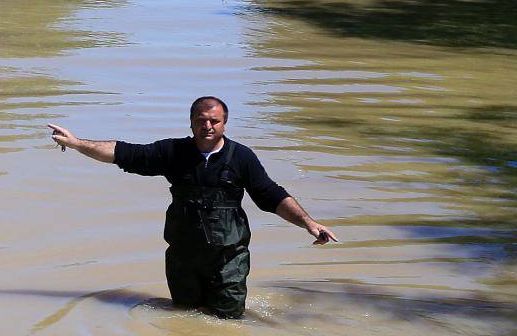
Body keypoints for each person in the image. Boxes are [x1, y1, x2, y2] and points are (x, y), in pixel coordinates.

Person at [47, 96, 336, 319]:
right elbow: (124, 153)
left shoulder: (241, 158)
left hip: (228, 259)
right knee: (185, 318)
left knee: (227, 323)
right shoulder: (173, 152)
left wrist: (309, 223)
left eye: (214, 121)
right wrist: (76, 143)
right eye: (201, 120)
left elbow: (270, 195)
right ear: (191, 122)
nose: (207, 126)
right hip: (183, 257)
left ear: (224, 123)